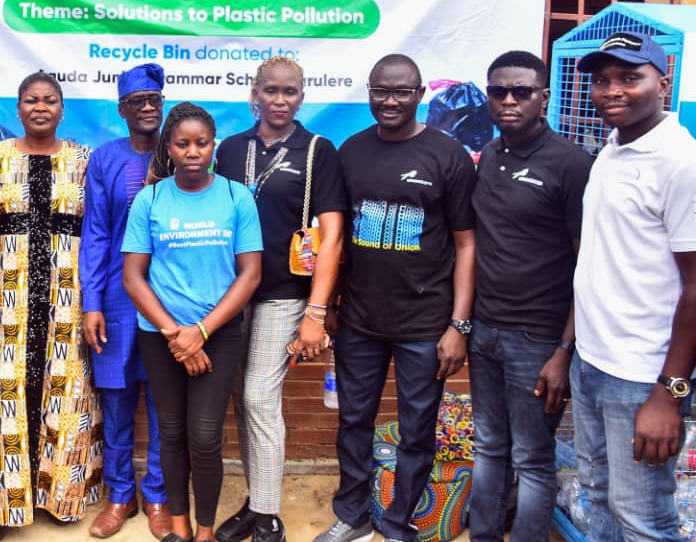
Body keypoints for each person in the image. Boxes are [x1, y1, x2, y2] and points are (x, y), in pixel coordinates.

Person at [314, 54, 476, 542]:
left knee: (417, 428)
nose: (390, 100)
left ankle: (401, 521)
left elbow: (466, 244)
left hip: (425, 324)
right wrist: (333, 305)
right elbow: (337, 238)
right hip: (359, 321)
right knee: (353, 421)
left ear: (420, 94)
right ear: (369, 92)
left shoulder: (447, 155)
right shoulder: (352, 151)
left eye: (401, 91)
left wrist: (459, 325)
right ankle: (354, 514)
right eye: (380, 90)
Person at [571, 31, 696, 541]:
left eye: (629, 78)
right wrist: (570, 350)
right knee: (596, 496)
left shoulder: (680, 162)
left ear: (663, 83)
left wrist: (670, 392)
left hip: (642, 376)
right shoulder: (612, 149)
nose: (612, 91)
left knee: (643, 519)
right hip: (592, 361)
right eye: (602, 81)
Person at [214, 56, 345, 542]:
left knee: (258, 397)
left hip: (284, 296)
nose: (280, 99)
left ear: (302, 97)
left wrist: (317, 311)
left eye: (290, 91)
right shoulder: (230, 149)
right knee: (241, 400)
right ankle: (257, 502)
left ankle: (268, 517)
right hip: (232, 295)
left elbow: (332, 237)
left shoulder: (317, 151)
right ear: (255, 94)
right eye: (271, 90)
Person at [0, 72, 101, 542]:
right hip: (10, 300)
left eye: (49, 100)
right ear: (18, 108)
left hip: (68, 299)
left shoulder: (85, 161)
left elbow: (99, 231)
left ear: (62, 109)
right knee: (3, 392)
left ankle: (59, 494)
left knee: (66, 391)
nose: (40, 107)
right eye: (31, 100)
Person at [123, 102, 263, 542]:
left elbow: (250, 274)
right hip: (160, 337)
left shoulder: (236, 197)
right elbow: (133, 277)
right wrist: (176, 334)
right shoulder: (150, 199)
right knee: (171, 432)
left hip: (218, 336)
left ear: (213, 144)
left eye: (201, 143)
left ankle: (204, 531)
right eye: (182, 143)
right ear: (168, 147)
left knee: (203, 436)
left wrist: (200, 332)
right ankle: (180, 529)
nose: (193, 152)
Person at [467, 51, 592, 542]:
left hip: (538, 338)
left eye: (522, 92)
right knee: (488, 446)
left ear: (544, 96)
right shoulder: (490, 154)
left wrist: (564, 349)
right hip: (485, 329)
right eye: (499, 92)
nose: (509, 100)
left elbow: (588, 266)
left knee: (533, 458)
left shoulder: (571, 164)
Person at [81, 63, 173, 540]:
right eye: (137, 101)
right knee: (116, 399)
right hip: (117, 299)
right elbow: (96, 233)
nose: (148, 108)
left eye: (154, 99)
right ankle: (120, 494)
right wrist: (92, 303)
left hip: (169, 297)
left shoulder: (180, 153)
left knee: (162, 399)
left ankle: (157, 494)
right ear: (122, 110)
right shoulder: (106, 158)